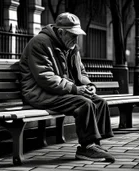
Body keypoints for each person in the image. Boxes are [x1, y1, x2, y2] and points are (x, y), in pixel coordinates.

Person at [19, 12, 115, 162]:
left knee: (99, 102)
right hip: (39, 92)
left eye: (77, 35)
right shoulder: (39, 43)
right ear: (61, 32)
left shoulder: (71, 46)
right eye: (73, 35)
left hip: (59, 91)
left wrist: (88, 85)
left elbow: (81, 72)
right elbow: (46, 77)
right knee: (84, 104)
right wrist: (75, 89)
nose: (76, 39)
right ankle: (86, 148)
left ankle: (94, 144)